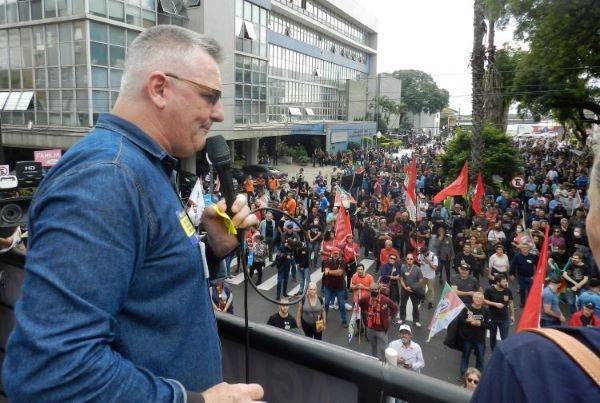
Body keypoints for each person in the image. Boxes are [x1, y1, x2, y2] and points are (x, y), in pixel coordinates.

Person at [2, 26, 265, 402]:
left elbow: (146, 286)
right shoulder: (105, 177)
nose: (219, 114)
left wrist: (211, 250)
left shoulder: (142, 166)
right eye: (209, 97)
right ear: (159, 88)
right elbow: (50, 371)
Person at [358, 283, 398, 361]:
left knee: (384, 348)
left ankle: (384, 361)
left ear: (379, 290)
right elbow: (360, 303)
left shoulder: (385, 299)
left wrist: (390, 317)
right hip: (370, 328)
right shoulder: (366, 298)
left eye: (375, 290)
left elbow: (394, 308)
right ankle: (374, 360)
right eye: (372, 290)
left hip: (381, 329)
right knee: (373, 346)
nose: (373, 291)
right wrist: (365, 311)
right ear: (370, 290)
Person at [458, 292, 489, 375]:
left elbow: (489, 324)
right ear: (473, 298)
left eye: (480, 298)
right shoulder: (466, 308)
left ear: (483, 300)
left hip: (480, 339)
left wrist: (480, 323)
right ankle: (463, 375)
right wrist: (468, 322)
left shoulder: (485, 310)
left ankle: (478, 376)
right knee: (465, 357)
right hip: (467, 338)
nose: (478, 300)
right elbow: (460, 320)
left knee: (480, 358)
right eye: (476, 298)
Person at [484, 274, 514, 350]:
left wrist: (512, 315)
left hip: (504, 318)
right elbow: (484, 301)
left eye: (506, 281)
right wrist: (495, 304)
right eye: (503, 282)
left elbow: (510, 302)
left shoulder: (508, 290)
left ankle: (504, 352)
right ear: (497, 282)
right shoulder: (489, 290)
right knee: (493, 337)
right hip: (492, 317)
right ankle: (494, 351)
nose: (506, 283)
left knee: (504, 337)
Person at [322, 248, 348, 327]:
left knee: (341, 305)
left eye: (337, 253)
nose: (335, 254)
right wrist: (334, 271)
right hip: (328, 287)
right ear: (331, 253)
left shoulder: (343, 261)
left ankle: (344, 320)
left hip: (339, 288)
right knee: (326, 303)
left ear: (339, 253)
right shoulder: (327, 261)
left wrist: (330, 271)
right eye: (334, 253)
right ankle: (324, 318)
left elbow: (340, 273)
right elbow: (326, 272)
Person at [399, 253, 424, 327]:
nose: (409, 260)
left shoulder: (417, 268)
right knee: (402, 305)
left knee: (415, 306)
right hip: (405, 289)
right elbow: (401, 278)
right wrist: (404, 287)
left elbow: (421, 280)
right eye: (408, 259)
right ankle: (402, 318)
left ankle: (416, 320)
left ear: (413, 260)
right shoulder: (403, 267)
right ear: (406, 260)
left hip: (414, 290)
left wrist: (412, 287)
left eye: (411, 259)